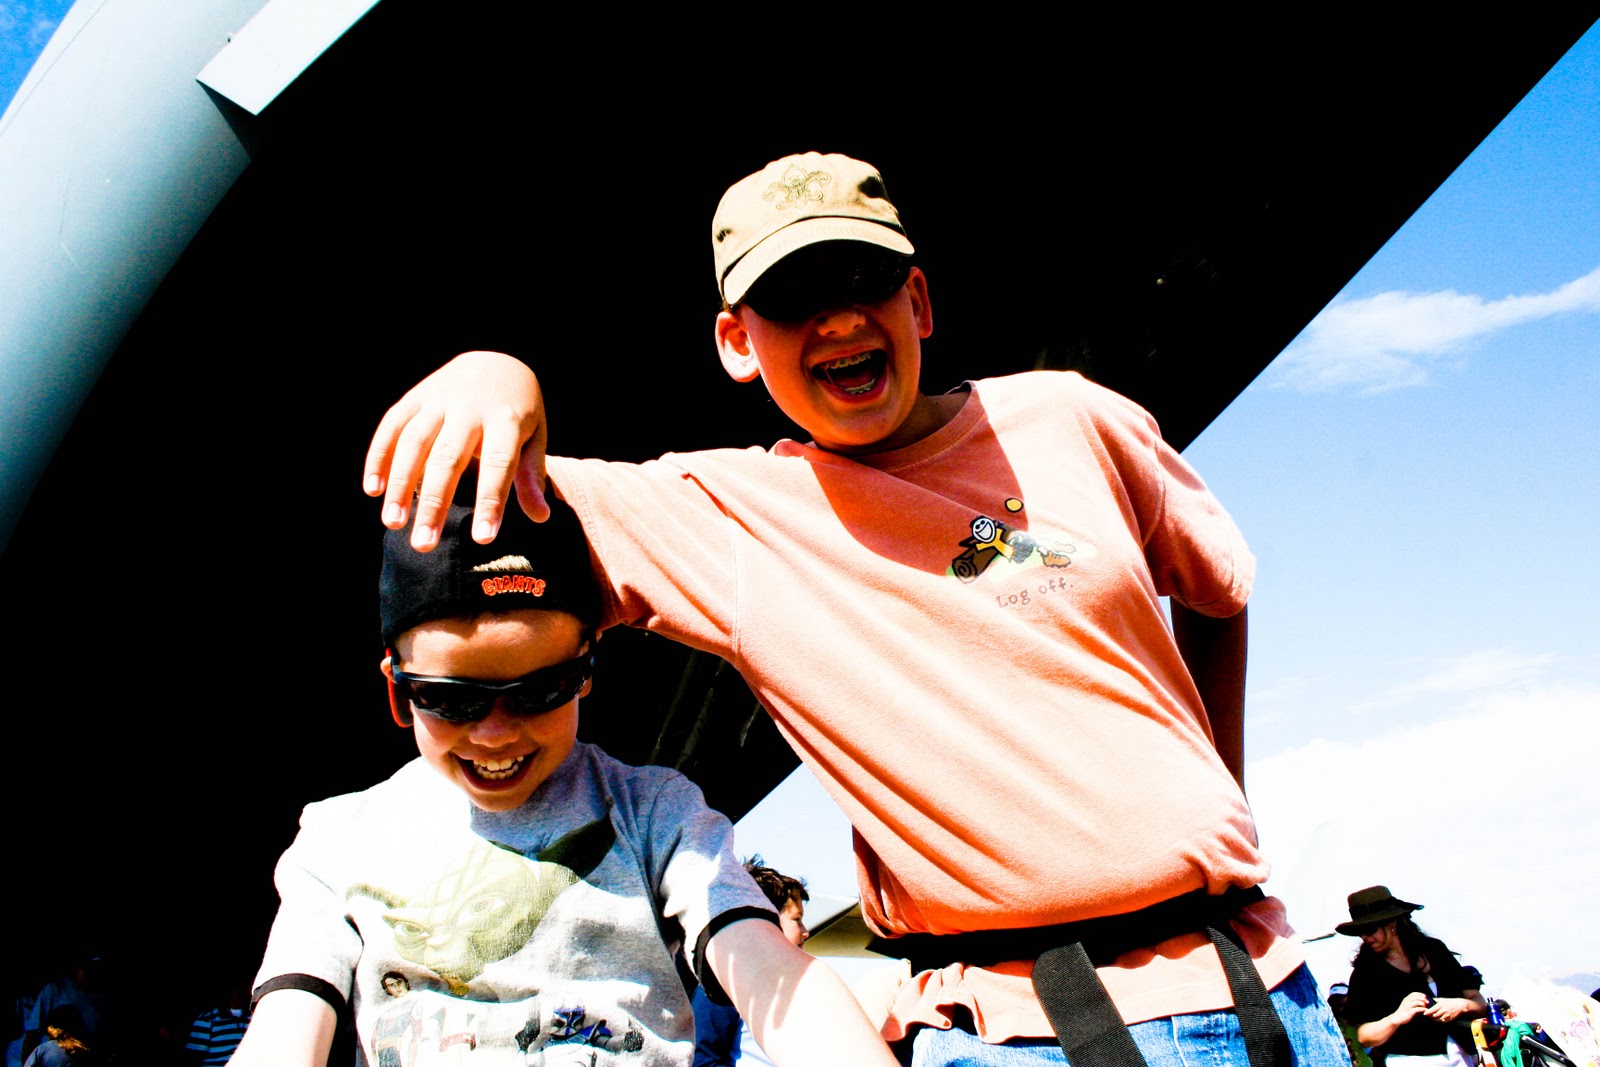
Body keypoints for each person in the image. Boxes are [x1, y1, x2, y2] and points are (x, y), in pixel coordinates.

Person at [364, 151, 1347, 1066]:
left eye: (862, 279)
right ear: (736, 342)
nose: (836, 319)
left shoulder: (1075, 421)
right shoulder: (730, 521)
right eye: (791, 297)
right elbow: (499, 494)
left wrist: (1218, 795)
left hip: (1266, 985)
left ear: (916, 301)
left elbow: (1218, 586)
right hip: (1009, 1032)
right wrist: (495, 371)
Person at [228, 498, 896, 1066]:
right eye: (451, 698)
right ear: (398, 692)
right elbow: (287, 1030)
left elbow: (771, 971)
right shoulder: (338, 837)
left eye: (541, 690)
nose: (496, 732)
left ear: (586, 673)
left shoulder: (655, 812)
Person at [1337, 886, 1486, 1066]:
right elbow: (1364, 1036)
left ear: (1391, 922)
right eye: (1360, 932)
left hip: (1464, 1058)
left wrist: (1461, 1005)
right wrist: (1397, 1017)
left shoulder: (1435, 950)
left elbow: (1479, 1003)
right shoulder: (1366, 973)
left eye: (1369, 929)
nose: (1365, 937)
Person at [692, 859, 809, 1067]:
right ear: (768, 919)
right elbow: (703, 1059)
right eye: (796, 920)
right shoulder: (722, 987)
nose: (805, 931)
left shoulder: (794, 989)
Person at [1329, 982, 1375, 1067]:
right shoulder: (1330, 1027)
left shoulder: (1363, 1022)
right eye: (1335, 999)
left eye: (1342, 997)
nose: (1339, 1001)